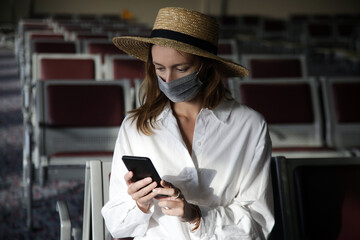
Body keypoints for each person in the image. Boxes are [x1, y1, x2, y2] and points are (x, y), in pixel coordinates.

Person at [101, 7, 274, 240]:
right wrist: (140, 205)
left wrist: (197, 216)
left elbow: (258, 222)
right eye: (160, 68)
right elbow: (117, 227)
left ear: (208, 67)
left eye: (181, 69)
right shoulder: (135, 126)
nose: (169, 80)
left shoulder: (249, 125)